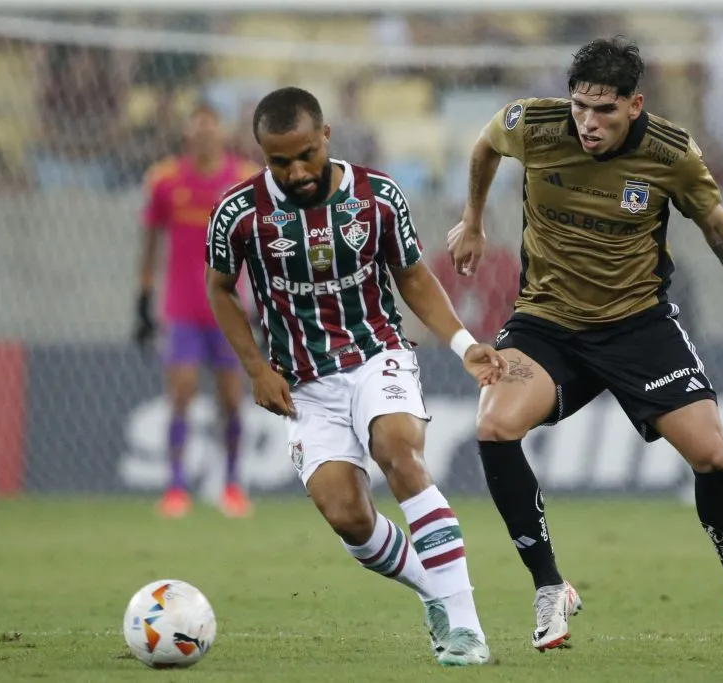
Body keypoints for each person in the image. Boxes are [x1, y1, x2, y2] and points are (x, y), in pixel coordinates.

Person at [447, 37, 723, 652]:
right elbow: (486, 145)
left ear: (635, 104)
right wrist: (475, 219)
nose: (588, 124)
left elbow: (719, 226)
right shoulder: (533, 123)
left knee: (714, 455)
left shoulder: (670, 152)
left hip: (637, 325)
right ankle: (550, 586)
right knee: (492, 426)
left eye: (605, 112)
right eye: (580, 108)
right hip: (548, 323)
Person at [204, 86, 502, 666]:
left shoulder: (377, 197)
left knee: (398, 450)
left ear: (326, 137)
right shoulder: (238, 213)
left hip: (376, 354)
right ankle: (433, 592)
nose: (296, 171)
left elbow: (412, 275)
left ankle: (467, 630)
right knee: (349, 518)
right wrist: (257, 369)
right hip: (304, 383)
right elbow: (220, 289)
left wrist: (463, 343)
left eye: (305, 155)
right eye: (279, 161)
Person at [135, 103, 261, 519]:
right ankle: (175, 487)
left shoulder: (244, 179)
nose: (205, 136)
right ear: (188, 136)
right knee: (182, 395)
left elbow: (260, 245)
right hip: (183, 310)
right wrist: (142, 298)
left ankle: (232, 484)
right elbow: (151, 241)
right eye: (198, 129)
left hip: (228, 309)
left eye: (211, 128)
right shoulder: (165, 180)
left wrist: (262, 301)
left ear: (221, 134)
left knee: (231, 399)